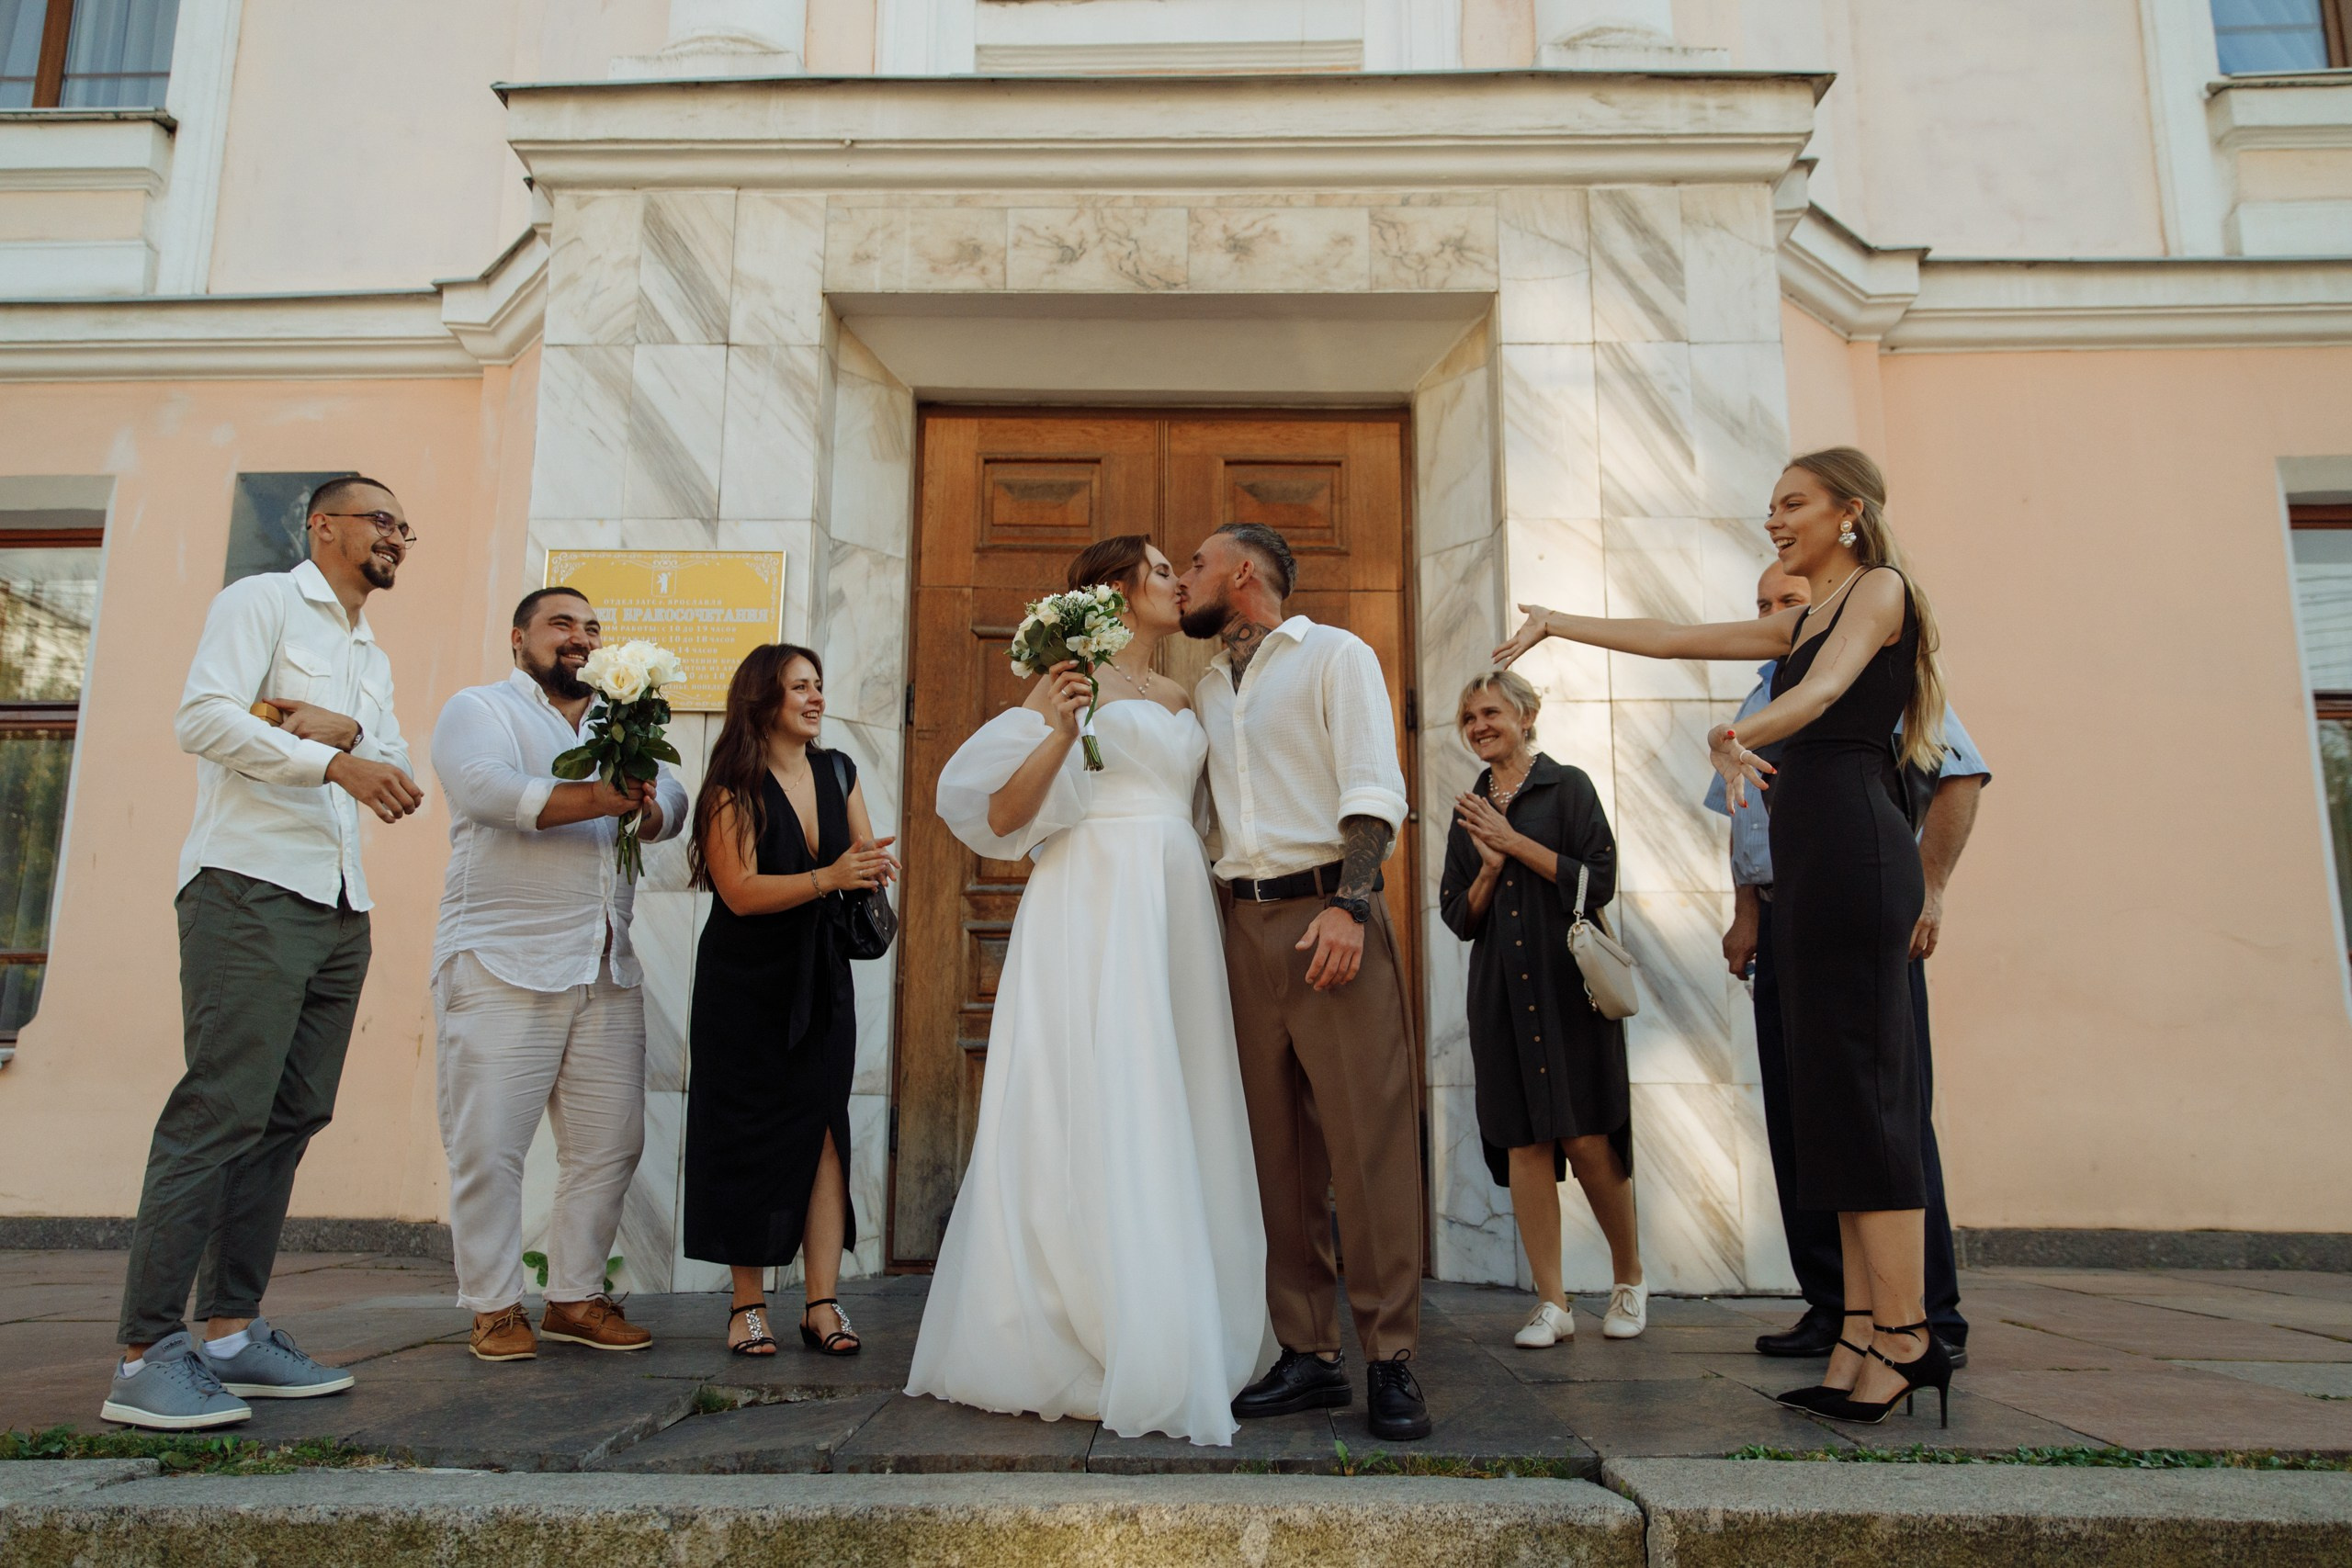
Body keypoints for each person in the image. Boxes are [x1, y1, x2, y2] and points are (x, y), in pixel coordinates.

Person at [1495, 446, 1956, 1427]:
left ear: (1849, 513)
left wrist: (1743, 734)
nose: (1774, 519)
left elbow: (1827, 692)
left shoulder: (1877, 590)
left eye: (1792, 504)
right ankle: (1859, 1330)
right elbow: (1671, 635)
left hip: (1860, 850)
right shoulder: (1805, 613)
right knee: (1830, 1094)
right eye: (1770, 506)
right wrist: (1556, 621)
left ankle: (1907, 1336)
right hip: (1811, 860)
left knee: (1869, 1095)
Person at [908, 536, 1271, 1447]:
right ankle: (1080, 1321)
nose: (1170, 581)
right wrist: (1063, 731)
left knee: (1175, 1091)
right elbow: (999, 816)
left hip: (1175, 897)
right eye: (1155, 570)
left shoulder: (1186, 696)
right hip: (1092, 891)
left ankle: (1181, 1312)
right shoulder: (1066, 686)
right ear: (1109, 594)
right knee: (1096, 1091)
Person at [105, 476, 424, 1430]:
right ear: (323, 526)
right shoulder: (262, 602)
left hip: (337, 903)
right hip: (248, 889)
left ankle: (233, 1336)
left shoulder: (370, 651)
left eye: (405, 527)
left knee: (290, 1117)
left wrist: (340, 728)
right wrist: (322, 752)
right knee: (218, 1112)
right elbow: (203, 719)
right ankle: (144, 1355)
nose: (397, 537)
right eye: (380, 519)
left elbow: (395, 763)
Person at [1179, 523, 1430, 1443]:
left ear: (1241, 574)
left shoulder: (1335, 656)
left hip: (1329, 914)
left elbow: (1375, 789)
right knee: (1273, 1156)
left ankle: (1391, 1358)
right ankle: (1308, 1353)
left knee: (1367, 1146)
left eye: (1196, 564)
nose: (1182, 580)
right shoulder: (1202, 687)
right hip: (1238, 924)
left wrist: (1352, 904)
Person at [1713, 562, 1988, 1368]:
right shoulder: (1759, 692)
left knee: (1883, 1111)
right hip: (1788, 917)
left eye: (1788, 600)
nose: (1774, 613)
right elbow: (1744, 820)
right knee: (1811, 1114)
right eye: (1762, 604)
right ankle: (1839, 1307)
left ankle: (1927, 1316)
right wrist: (1746, 911)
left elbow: (1960, 774)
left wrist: (1930, 892)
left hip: (1861, 907)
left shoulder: (1868, 664)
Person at [428, 586, 688, 1362]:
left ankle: (574, 1295)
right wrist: (601, 795)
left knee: (611, 1143)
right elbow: (485, 789)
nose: (579, 637)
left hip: (606, 960)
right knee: (491, 1144)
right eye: (561, 625)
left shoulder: (621, 722)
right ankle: (494, 1303)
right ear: (519, 639)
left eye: (592, 627)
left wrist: (645, 807)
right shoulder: (480, 709)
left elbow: (671, 796)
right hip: (504, 957)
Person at [683, 645, 896, 1360]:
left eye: (818, 685)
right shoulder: (731, 786)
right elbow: (739, 890)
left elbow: (857, 861)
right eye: (798, 686)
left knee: (824, 1132)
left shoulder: (839, 770)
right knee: (746, 1136)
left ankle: (821, 1301)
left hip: (821, 979)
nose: (814, 697)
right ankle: (747, 1305)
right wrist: (830, 874)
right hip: (745, 987)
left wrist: (869, 870)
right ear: (763, 699)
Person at [1439, 671, 1645, 1348]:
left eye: (1490, 712)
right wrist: (1491, 866)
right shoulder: (1469, 807)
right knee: (1525, 1142)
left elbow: (1600, 878)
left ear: (1528, 714)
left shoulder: (1570, 787)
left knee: (1588, 1136)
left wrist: (1516, 844)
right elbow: (1456, 915)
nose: (1478, 726)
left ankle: (1629, 1278)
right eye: (1469, 717)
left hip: (1569, 988)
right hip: (1500, 990)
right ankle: (1552, 1302)